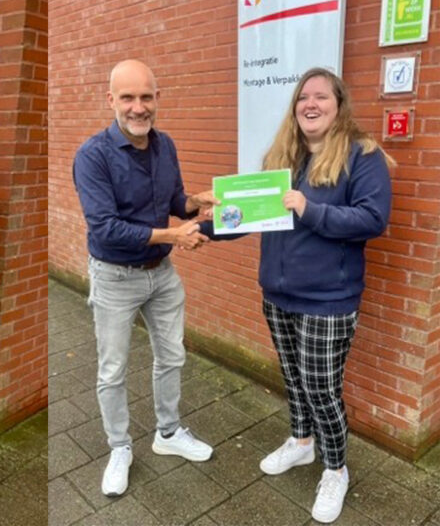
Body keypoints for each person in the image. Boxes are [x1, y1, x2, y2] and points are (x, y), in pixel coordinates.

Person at [239, 68, 391, 523]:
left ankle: (336, 468)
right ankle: (301, 443)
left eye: (320, 97)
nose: (310, 104)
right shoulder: (282, 155)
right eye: (303, 97)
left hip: (328, 300)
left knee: (322, 388)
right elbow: (252, 214)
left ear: (338, 104)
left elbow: (372, 219)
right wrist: (204, 225)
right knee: (292, 377)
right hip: (278, 293)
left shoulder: (363, 156)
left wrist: (309, 209)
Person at [71, 59, 217, 497]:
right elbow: (106, 227)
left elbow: (172, 199)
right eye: (129, 97)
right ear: (111, 99)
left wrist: (195, 203)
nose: (139, 107)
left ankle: (168, 433)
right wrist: (175, 234)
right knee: (112, 370)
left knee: (172, 356)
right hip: (115, 277)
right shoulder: (92, 156)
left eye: (146, 97)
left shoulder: (164, 144)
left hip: (161, 274)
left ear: (158, 99)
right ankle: (119, 447)